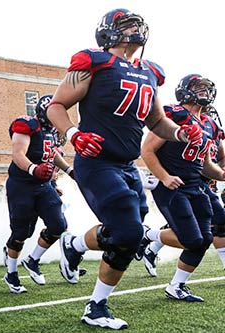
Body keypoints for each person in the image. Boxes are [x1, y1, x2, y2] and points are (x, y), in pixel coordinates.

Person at [46, 8, 203, 330]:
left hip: (128, 165)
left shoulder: (149, 73)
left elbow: (158, 121)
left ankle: (74, 245)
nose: (134, 29)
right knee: (130, 234)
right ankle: (96, 306)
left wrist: (181, 133)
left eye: (136, 24)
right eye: (126, 25)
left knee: (125, 233)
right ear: (108, 32)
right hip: (97, 161)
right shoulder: (95, 63)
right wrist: (74, 134)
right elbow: (56, 105)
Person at [141, 73, 225, 302]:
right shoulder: (174, 114)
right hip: (171, 185)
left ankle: (176, 286)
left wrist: (222, 175)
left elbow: (206, 163)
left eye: (206, 89)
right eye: (198, 88)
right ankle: (146, 235)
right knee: (192, 239)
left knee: (205, 238)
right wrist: (165, 177)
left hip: (195, 185)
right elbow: (147, 150)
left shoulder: (209, 125)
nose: (204, 92)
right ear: (185, 90)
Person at [3, 94, 75, 294]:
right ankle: (11, 273)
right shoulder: (28, 125)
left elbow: (52, 154)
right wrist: (34, 169)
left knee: (58, 225)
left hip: (43, 186)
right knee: (21, 233)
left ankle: (32, 260)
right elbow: (18, 154)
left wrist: (70, 171)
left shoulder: (50, 131)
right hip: (21, 185)